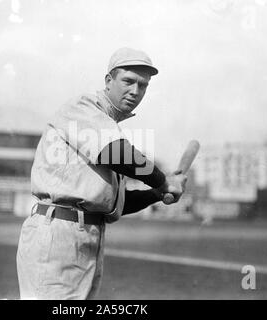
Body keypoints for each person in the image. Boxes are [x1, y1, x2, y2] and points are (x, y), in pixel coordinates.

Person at [16, 47, 188, 300]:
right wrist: (164, 180)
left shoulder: (107, 129)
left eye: (143, 85)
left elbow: (114, 204)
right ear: (108, 81)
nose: (135, 91)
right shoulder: (83, 107)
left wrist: (157, 193)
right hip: (59, 234)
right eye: (128, 81)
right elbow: (116, 154)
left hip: (87, 235)